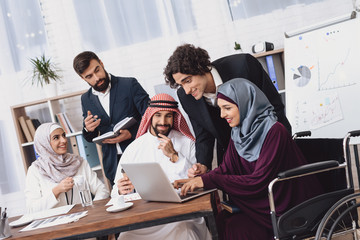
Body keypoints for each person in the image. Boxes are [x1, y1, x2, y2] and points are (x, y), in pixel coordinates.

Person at [175, 79, 323, 240]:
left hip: (286, 206)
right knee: (222, 220)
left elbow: (259, 180)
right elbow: (226, 169)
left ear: (246, 104)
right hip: (265, 203)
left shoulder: (275, 131)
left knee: (239, 230)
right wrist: (199, 179)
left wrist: (210, 180)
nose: (222, 115)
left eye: (227, 108)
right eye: (220, 108)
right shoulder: (238, 133)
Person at [164, 44, 292, 177]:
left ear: (200, 67)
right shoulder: (185, 97)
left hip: (269, 146)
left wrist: (280, 145)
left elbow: (274, 105)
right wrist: (202, 164)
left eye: (188, 81)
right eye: (181, 85)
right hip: (232, 158)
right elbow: (203, 135)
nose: (186, 90)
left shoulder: (244, 66)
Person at [111, 93, 211, 240]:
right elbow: (115, 190)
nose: (163, 121)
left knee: (182, 233)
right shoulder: (134, 147)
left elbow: (196, 184)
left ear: (174, 117)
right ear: (150, 116)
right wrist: (121, 190)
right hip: (146, 215)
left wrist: (175, 156)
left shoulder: (186, 142)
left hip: (181, 213)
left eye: (168, 116)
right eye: (158, 115)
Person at [73, 51, 149, 185]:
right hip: (113, 164)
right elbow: (90, 137)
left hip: (140, 156)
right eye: (89, 76)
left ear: (102, 64)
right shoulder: (86, 99)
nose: (97, 78)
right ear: (83, 78)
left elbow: (151, 117)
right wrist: (88, 128)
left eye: (97, 70)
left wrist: (131, 133)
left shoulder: (129, 84)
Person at [25, 123, 109, 213]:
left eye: (64, 135)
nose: (64, 140)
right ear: (44, 143)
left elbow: (102, 190)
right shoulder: (36, 170)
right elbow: (31, 209)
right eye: (56, 137)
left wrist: (92, 208)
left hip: (84, 219)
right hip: (55, 224)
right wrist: (56, 191)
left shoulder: (78, 162)